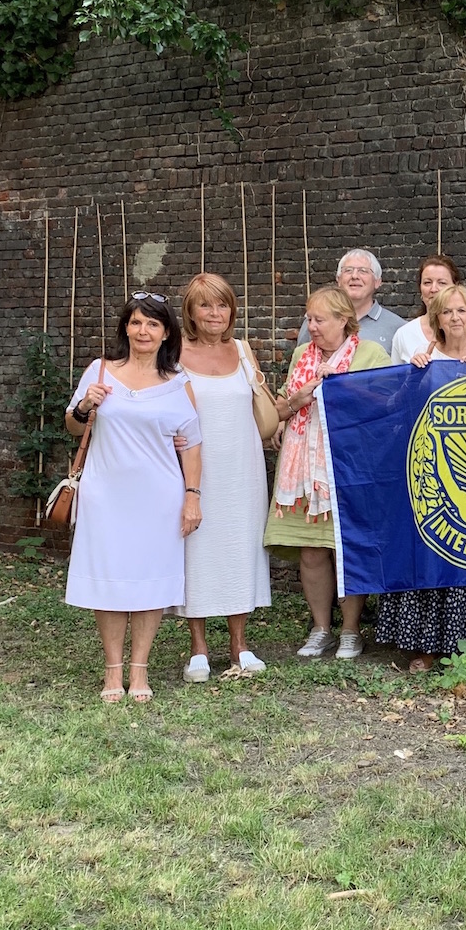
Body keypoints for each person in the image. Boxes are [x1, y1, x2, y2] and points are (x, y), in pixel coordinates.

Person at [64, 292, 203, 703]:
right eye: (137, 322)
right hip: (105, 494)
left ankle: (139, 669)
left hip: (159, 497)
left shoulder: (179, 382)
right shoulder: (100, 370)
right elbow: (73, 428)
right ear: (125, 327)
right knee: (107, 579)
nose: (144, 331)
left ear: (166, 334)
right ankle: (112, 671)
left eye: (153, 324)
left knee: (150, 581)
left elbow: (192, 445)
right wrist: (87, 404)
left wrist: (192, 496)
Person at [382, 285, 466, 671]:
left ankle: (463, 645)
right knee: (429, 552)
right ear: (436, 319)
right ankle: (422, 646)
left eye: (462, 311)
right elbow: (395, 410)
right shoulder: (426, 359)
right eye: (447, 312)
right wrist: (413, 378)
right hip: (431, 475)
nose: (455, 318)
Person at [268, 286, 392, 659]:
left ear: (343, 320)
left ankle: (351, 631)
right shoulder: (301, 355)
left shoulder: (370, 354)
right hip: (303, 470)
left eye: (319, 319)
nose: (313, 326)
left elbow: (387, 404)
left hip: (349, 468)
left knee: (348, 548)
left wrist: (341, 389)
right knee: (311, 552)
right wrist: (298, 399)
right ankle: (321, 628)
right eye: (309, 319)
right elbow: (278, 408)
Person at [175, 274, 271, 682]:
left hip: (242, 469)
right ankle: (198, 648)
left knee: (240, 548)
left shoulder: (244, 352)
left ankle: (240, 644)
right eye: (205, 306)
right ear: (191, 313)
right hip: (193, 467)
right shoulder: (173, 352)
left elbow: (264, 411)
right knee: (196, 550)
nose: (215, 314)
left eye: (222, 305)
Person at [296, 249, 407, 352]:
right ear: (338, 279)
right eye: (348, 270)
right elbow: (300, 365)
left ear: (377, 281)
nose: (354, 276)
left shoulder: (398, 328)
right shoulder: (315, 321)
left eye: (363, 271)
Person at [391, 255, 466, 363]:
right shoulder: (404, 334)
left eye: (442, 283)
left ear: (456, 286)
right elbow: (397, 378)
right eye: (427, 282)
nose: (434, 289)